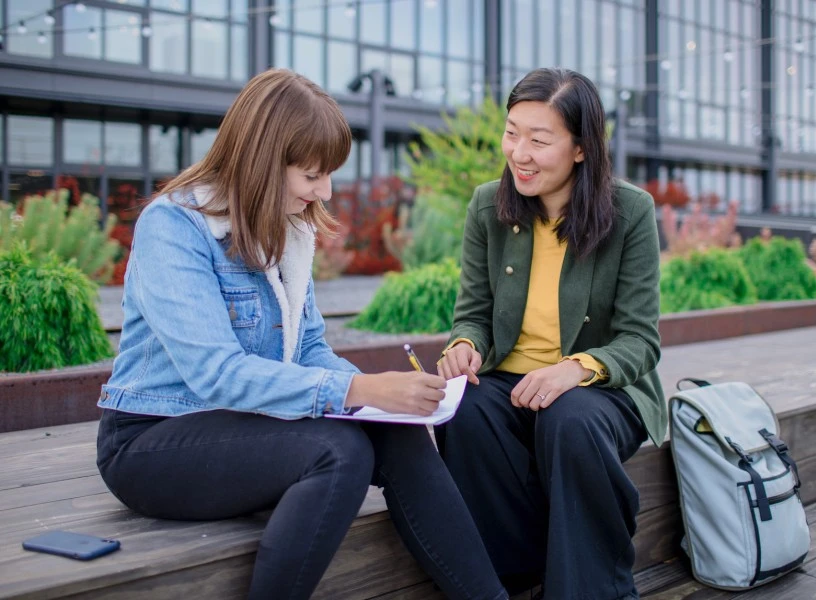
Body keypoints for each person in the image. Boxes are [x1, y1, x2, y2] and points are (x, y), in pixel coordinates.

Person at [95, 69, 507, 600]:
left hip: (248, 426)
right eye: (312, 175)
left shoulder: (291, 228)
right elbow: (215, 374)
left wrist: (389, 405)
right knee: (338, 451)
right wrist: (360, 391)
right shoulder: (174, 228)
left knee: (394, 434)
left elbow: (309, 346)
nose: (325, 191)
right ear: (263, 161)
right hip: (152, 439)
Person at [436, 68, 666, 599]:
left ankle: (593, 587)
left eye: (539, 141)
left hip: (599, 389)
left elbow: (640, 340)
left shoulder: (631, 212)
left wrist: (575, 369)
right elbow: (472, 313)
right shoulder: (487, 206)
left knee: (570, 418)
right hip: (509, 381)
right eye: (512, 132)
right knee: (464, 413)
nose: (519, 152)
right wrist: (464, 346)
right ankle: (514, 574)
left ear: (582, 149)